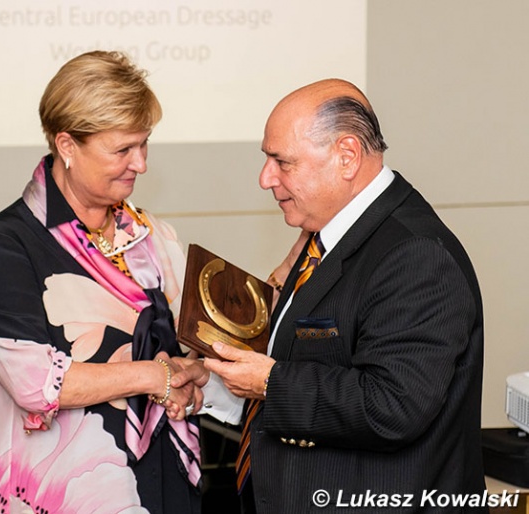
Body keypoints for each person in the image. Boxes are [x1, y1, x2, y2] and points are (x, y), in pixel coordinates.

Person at [173, 79, 487, 513]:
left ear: (346, 156)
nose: (266, 178)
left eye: (282, 162)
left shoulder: (415, 255)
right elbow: (309, 365)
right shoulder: (328, 237)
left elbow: (392, 405)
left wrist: (268, 382)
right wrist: (222, 382)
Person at [0, 51, 202, 514]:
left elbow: (192, 341)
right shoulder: (6, 246)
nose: (141, 164)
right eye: (122, 150)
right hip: (62, 493)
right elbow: (36, 384)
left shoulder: (150, 235)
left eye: (144, 144)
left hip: (163, 483)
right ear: (67, 145)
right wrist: (157, 375)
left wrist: (194, 375)